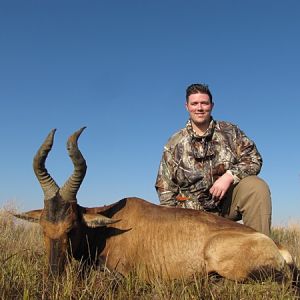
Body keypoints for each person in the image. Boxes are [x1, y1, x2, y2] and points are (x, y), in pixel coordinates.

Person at [155, 83, 272, 236]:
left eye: (204, 103)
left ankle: (261, 252)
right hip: (191, 216)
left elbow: (254, 158)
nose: (200, 108)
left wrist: (229, 176)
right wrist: (173, 223)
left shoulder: (230, 131)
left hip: (225, 207)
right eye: (194, 103)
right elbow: (165, 189)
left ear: (212, 105)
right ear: (187, 106)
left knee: (256, 186)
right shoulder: (174, 143)